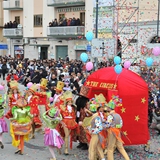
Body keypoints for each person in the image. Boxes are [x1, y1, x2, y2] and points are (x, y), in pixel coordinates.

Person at [105, 96, 130, 160]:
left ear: (110, 108)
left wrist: (104, 125)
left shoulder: (110, 116)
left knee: (110, 148)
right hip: (118, 132)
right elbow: (121, 124)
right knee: (120, 147)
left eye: (108, 107)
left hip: (112, 132)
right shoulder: (118, 115)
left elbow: (107, 125)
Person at [58, 91, 78, 155]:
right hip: (65, 121)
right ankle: (66, 149)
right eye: (69, 102)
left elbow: (74, 116)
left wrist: (74, 120)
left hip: (71, 122)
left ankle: (61, 144)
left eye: (71, 102)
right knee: (66, 135)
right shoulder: (63, 108)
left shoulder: (73, 108)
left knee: (67, 135)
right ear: (66, 102)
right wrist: (61, 121)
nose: (70, 103)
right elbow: (59, 115)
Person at [75, 86, 91, 150]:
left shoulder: (86, 102)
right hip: (79, 116)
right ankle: (81, 142)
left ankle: (85, 143)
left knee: (84, 131)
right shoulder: (79, 100)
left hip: (84, 118)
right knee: (79, 130)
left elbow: (88, 111)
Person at [0, 85, 8, 149]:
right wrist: (5, 90)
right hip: (2, 119)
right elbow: (5, 98)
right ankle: (0, 140)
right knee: (1, 132)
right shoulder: (3, 105)